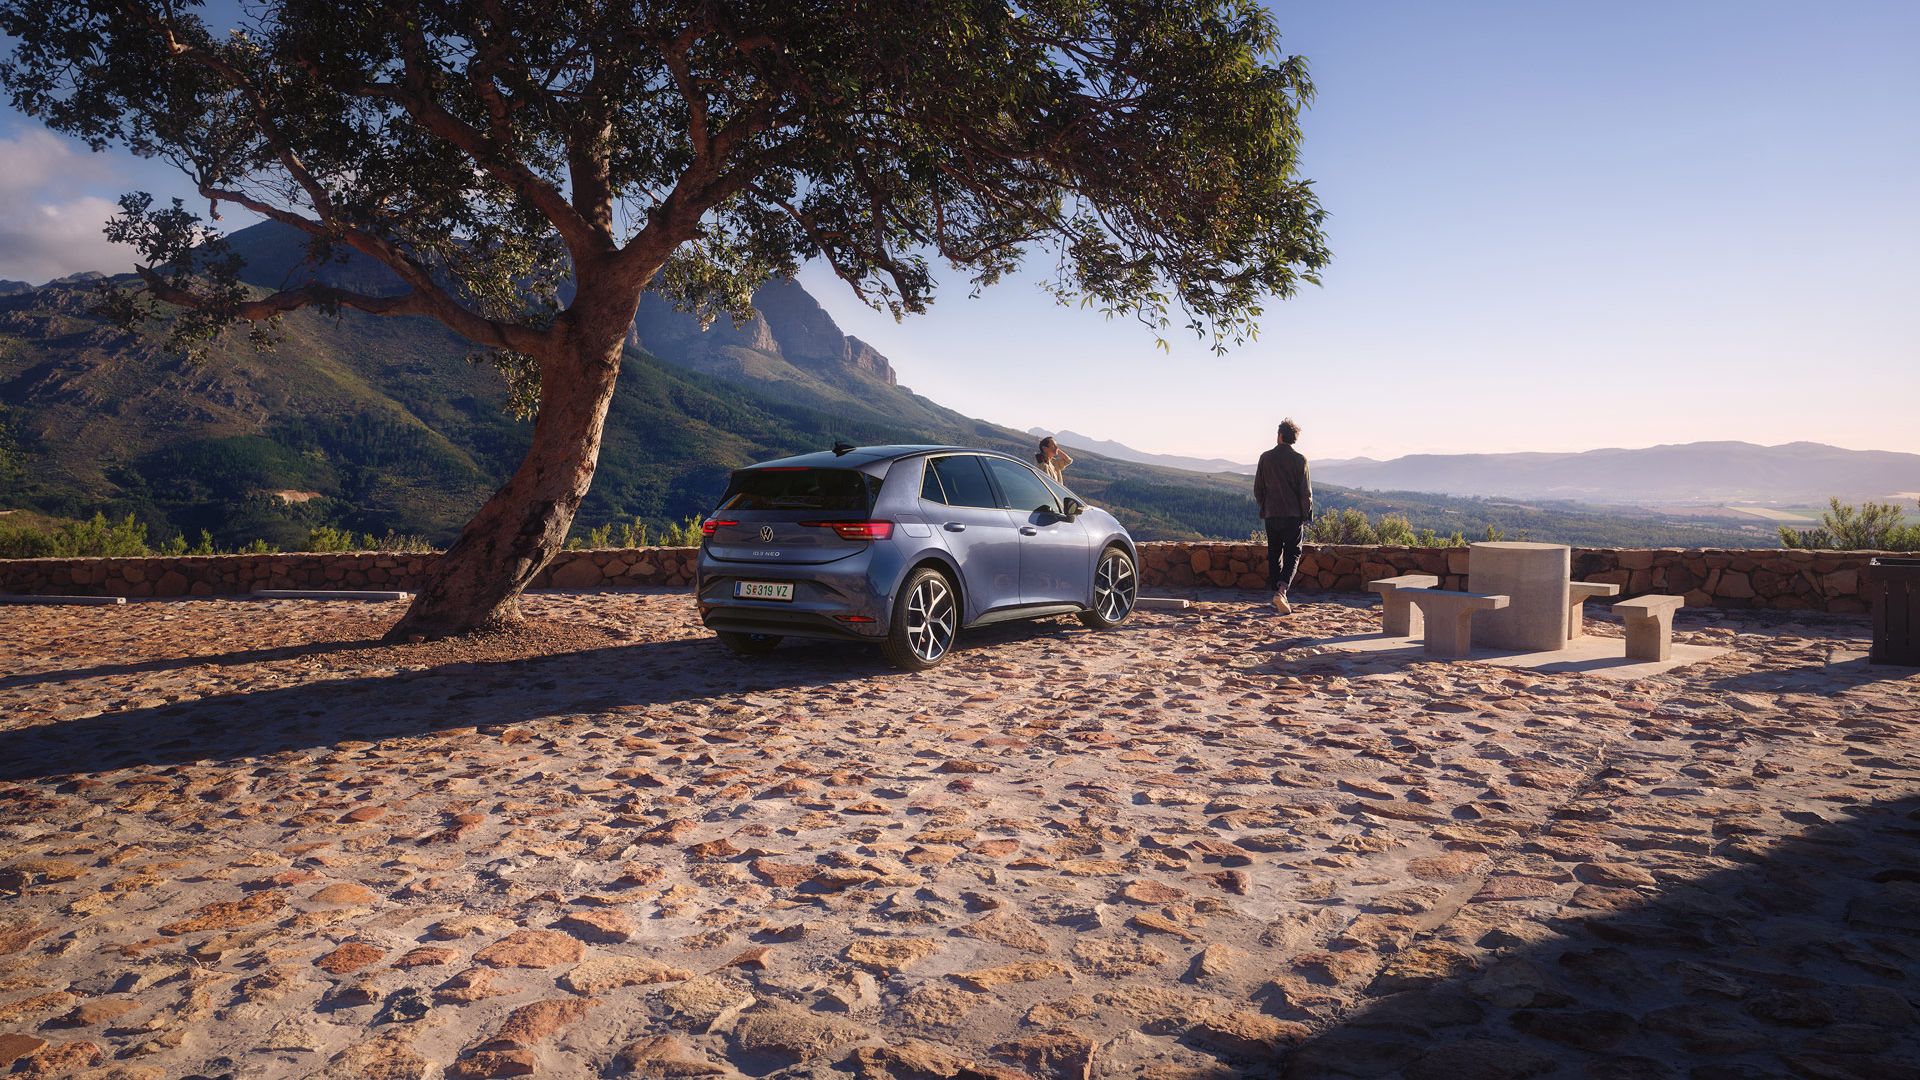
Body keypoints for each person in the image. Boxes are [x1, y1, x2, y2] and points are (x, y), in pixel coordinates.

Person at [1253, 418, 1311, 614]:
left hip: (1272, 514)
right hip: (1293, 515)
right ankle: (1282, 590)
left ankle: (1275, 594)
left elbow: (1258, 489)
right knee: (1293, 553)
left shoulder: (1265, 457)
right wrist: (1305, 515)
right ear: (1294, 438)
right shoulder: (1300, 460)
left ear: (1279, 435)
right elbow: (1305, 492)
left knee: (1274, 553)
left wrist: (1266, 506)